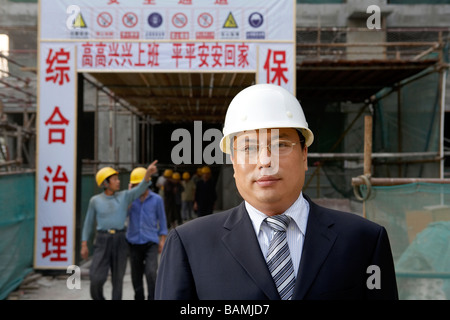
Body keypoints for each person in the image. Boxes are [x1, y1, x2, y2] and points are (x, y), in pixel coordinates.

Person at [155, 84, 398, 300]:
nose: (265, 161)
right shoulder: (189, 246)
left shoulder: (363, 241)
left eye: (281, 145)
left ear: (304, 155)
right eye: (249, 147)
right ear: (233, 161)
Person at [81, 160, 158, 300]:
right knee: (96, 277)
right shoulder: (95, 201)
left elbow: (140, 188)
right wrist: (84, 243)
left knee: (118, 279)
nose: (118, 181)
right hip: (102, 240)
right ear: (105, 183)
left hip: (120, 239)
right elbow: (88, 222)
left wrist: (147, 174)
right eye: (114, 179)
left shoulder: (124, 197)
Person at [126, 167, 168, 300]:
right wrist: (128, 196)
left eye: (141, 184)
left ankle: (153, 297)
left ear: (147, 183)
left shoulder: (156, 200)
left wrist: (162, 240)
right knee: (136, 275)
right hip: (133, 242)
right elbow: (122, 215)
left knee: (151, 273)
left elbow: (162, 220)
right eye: (135, 185)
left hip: (151, 242)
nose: (139, 188)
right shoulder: (130, 201)